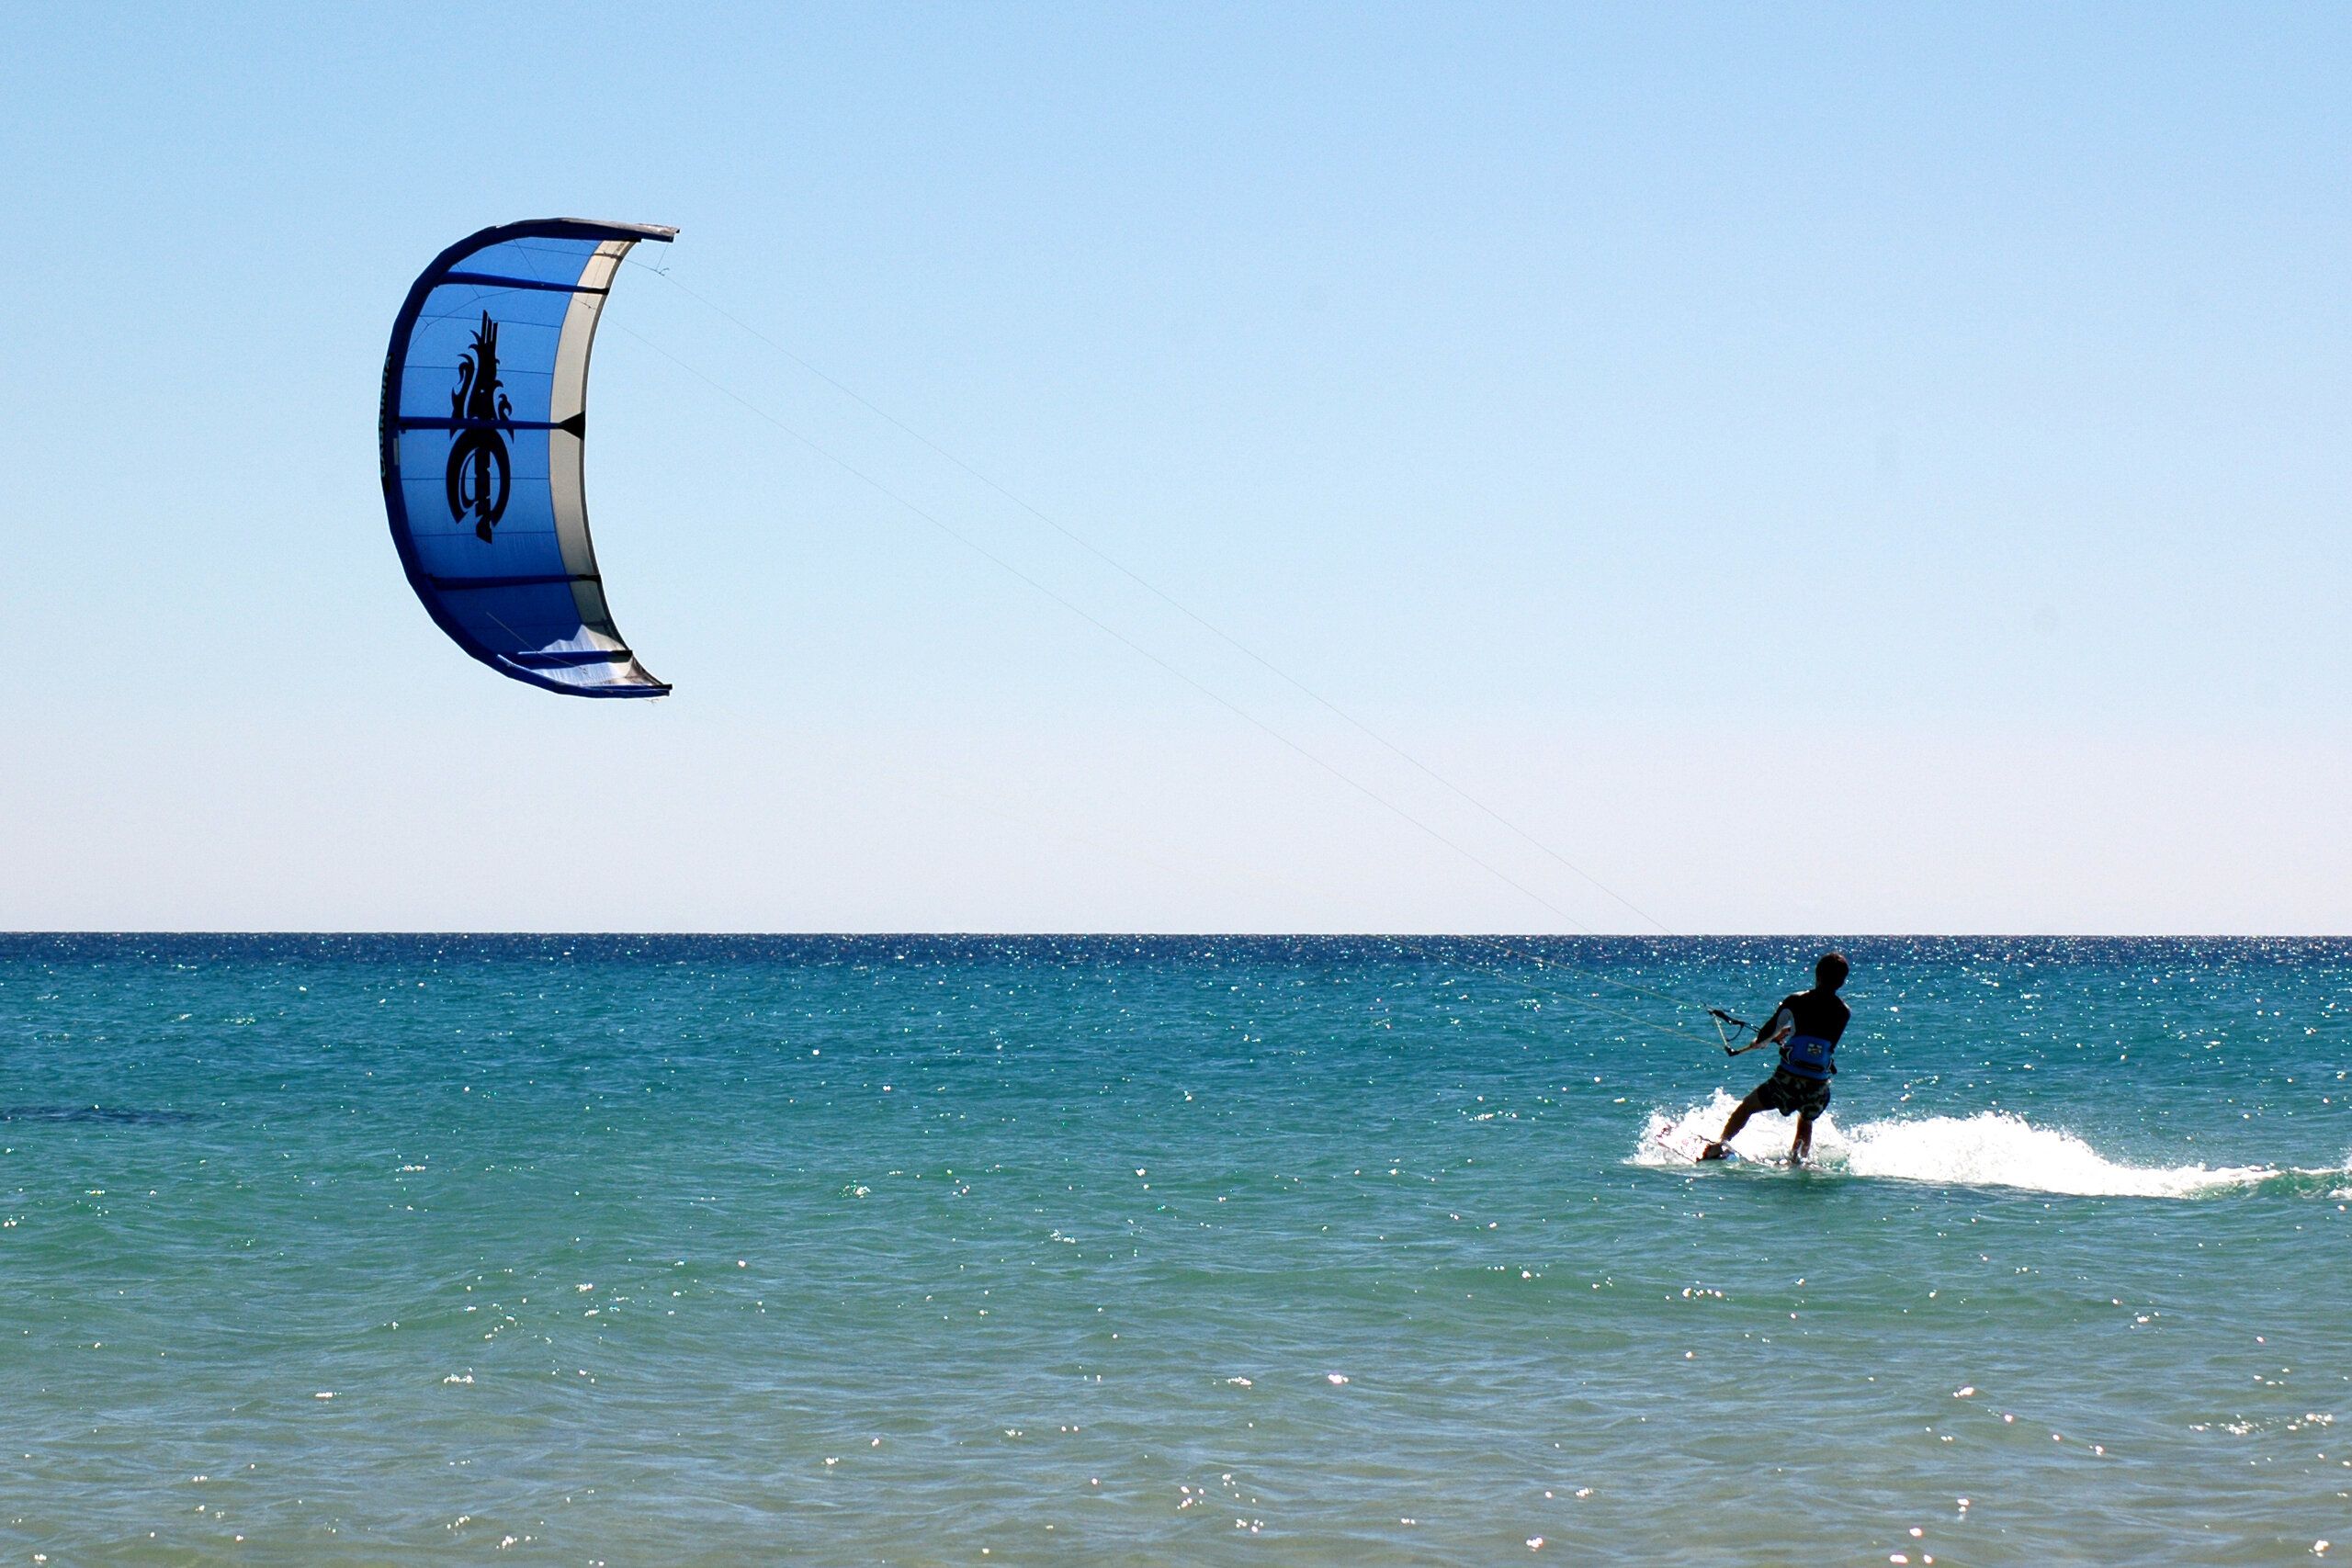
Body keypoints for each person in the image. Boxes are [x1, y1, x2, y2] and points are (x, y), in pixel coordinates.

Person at [1701, 952, 1850, 1165]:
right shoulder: (1844, 1012)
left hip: (1789, 1079)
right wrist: (1788, 1034)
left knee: (1748, 1106)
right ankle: (1798, 1162)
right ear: (1842, 982)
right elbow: (1820, 1042)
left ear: (1817, 975)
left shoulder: (1796, 1001)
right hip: (1818, 1084)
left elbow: (1766, 1034)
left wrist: (1764, 1040)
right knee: (1806, 1119)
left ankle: (1720, 1144)